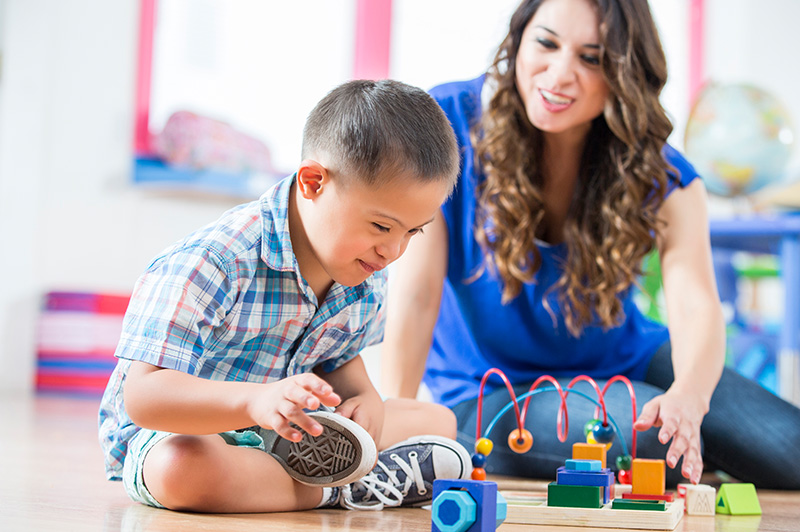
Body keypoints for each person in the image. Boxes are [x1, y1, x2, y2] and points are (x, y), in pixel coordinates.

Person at [381, 0, 800, 489]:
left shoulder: (660, 172)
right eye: (546, 43)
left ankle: (696, 450)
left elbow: (694, 303)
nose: (559, 75)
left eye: (592, 58)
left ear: (625, 74)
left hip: (625, 357)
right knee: (653, 441)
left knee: (788, 449)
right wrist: (398, 420)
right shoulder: (448, 123)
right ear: (519, 39)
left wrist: (689, 395)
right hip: (489, 387)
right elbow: (415, 295)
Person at [98, 79, 474, 514]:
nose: (394, 251)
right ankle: (343, 491)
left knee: (440, 422)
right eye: (382, 227)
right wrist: (254, 401)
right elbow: (143, 398)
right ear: (313, 182)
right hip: (184, 434)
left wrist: (365, 398)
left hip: (291, 431)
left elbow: (339, 359)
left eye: (413, 231)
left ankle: (307, 479)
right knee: (182, 470)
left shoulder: (364, 271)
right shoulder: (217, 259)